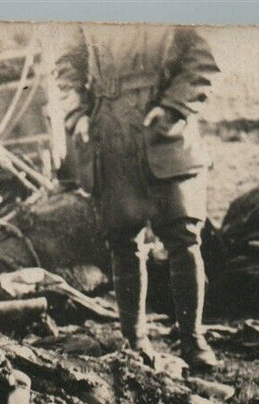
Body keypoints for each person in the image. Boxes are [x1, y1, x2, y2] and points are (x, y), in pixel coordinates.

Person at [54, 23, 222, 372]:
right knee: (121, 239)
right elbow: (69, 63)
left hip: (162, 129)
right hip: (110, 131)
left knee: (183, 236)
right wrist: (78, 114)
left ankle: (192, 339)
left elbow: (202, 57)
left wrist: (173, 108)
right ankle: (135, 342)